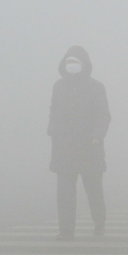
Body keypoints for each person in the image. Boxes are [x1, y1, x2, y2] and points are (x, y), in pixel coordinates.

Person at [47, 46, 111, 241]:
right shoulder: (59, 86)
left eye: (75, 63)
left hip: (89, 147)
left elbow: (103, 115)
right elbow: (54, 111)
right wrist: (52, 132)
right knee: (64, 193)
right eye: (68, 63)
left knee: (93, 190)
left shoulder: (96, 87)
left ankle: (99, 223)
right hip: (64, 148)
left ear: (84, 65)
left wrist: (97, 135)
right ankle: (66, 230)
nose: (71, 66)